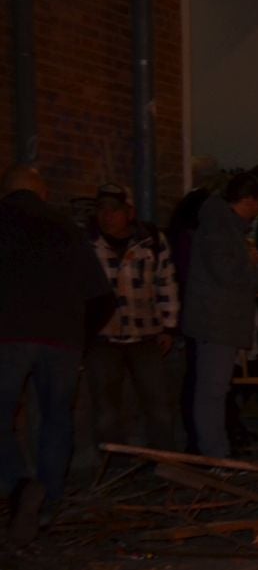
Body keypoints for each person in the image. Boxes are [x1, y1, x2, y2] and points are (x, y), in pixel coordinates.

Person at [0, 165, 114, 541]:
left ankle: (18, 485)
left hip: (10, 334)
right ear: (43, 192)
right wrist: (79, 337)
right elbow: (101, 296)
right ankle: (48, 503)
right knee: (56, 419)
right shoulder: (67, 228)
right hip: (62, 339)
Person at [180, 172, 258, 460]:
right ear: (248, 200)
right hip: (216, 320)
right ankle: (214, 453)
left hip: (219, 318)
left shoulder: (223, 227)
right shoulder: (219, 228)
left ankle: (215, 451)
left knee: (214, 389)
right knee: (212, 390)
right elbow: (232, 274)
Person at [85, 184, 178, 451]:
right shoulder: (89, 243)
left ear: (129, 212)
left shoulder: (151, 242)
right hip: (103, 335)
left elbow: (166, 282)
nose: (106, 216)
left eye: (114, 210)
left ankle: (163, 459)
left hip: (145, 333)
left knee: (157, 402)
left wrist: (168, 326)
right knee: (106, 407)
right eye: (101, 209)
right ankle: (114, 464)